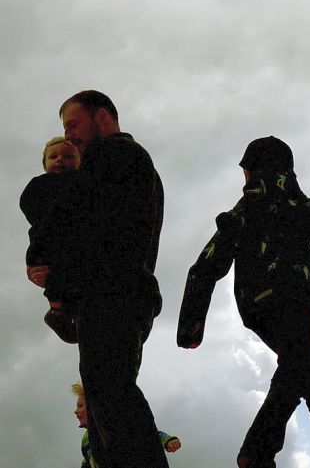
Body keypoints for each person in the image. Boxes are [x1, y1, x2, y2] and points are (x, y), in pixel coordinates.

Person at [177, 136, 310, 468]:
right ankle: (273, 451)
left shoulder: (241, 213)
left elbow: (204, 267)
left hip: (258, 308)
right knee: (307, 373)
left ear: (250, 171)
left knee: (301, 372)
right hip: (298, 302)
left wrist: (191, 326)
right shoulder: (307, 208)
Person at [53, 90, 168, 467]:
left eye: (73, 124)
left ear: (101, 118)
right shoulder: (134, 165)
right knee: (105, 400)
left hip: (112, 294)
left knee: (111, 396)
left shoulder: (112, 157)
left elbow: (82, 226)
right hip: (120, 294)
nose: (68, 136)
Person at [20, 136, 88, 343]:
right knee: (52, 275)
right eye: (53, 156)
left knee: (69, 275)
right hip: (45, 240)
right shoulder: (39, 184)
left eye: (68, 156)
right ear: (45, 164)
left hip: (72, 241)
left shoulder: (82, 182)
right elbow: (29, 206)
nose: (60, 160)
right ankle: (57, 310)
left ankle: (68, 312)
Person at [72, 382, 182, 468]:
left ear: (94, 406)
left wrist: (167, 440)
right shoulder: (86, 440)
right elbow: (87, 461)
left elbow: (149, 435)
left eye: (80, 406)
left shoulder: (114, 423)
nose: (76, 411)